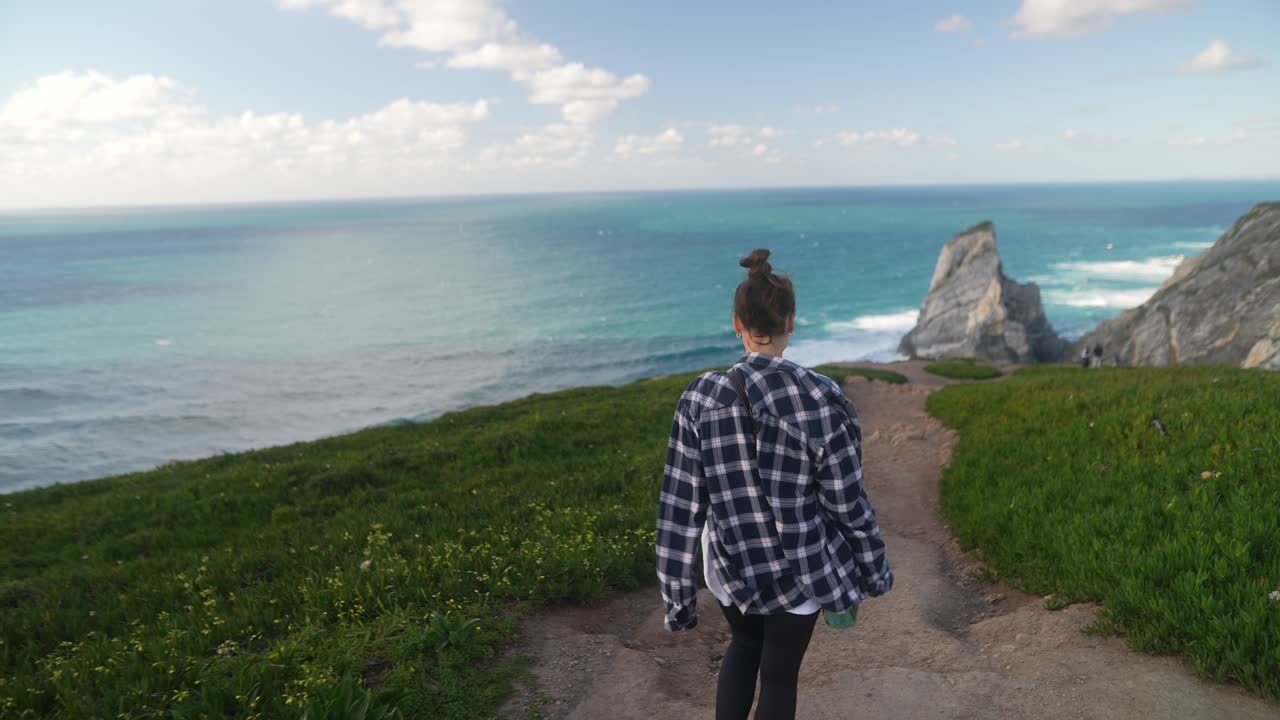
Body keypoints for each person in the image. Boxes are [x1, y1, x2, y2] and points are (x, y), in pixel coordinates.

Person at [656, 249, 894, 720]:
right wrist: (871, 571)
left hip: (730, 566)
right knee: (780, 678)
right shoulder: (823, 398)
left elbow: (681, 508)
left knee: (743, 648)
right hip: (799, 570)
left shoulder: (700, 398)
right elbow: (847, 503)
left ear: (737, 324)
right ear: (791, 321)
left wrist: (678, 599)